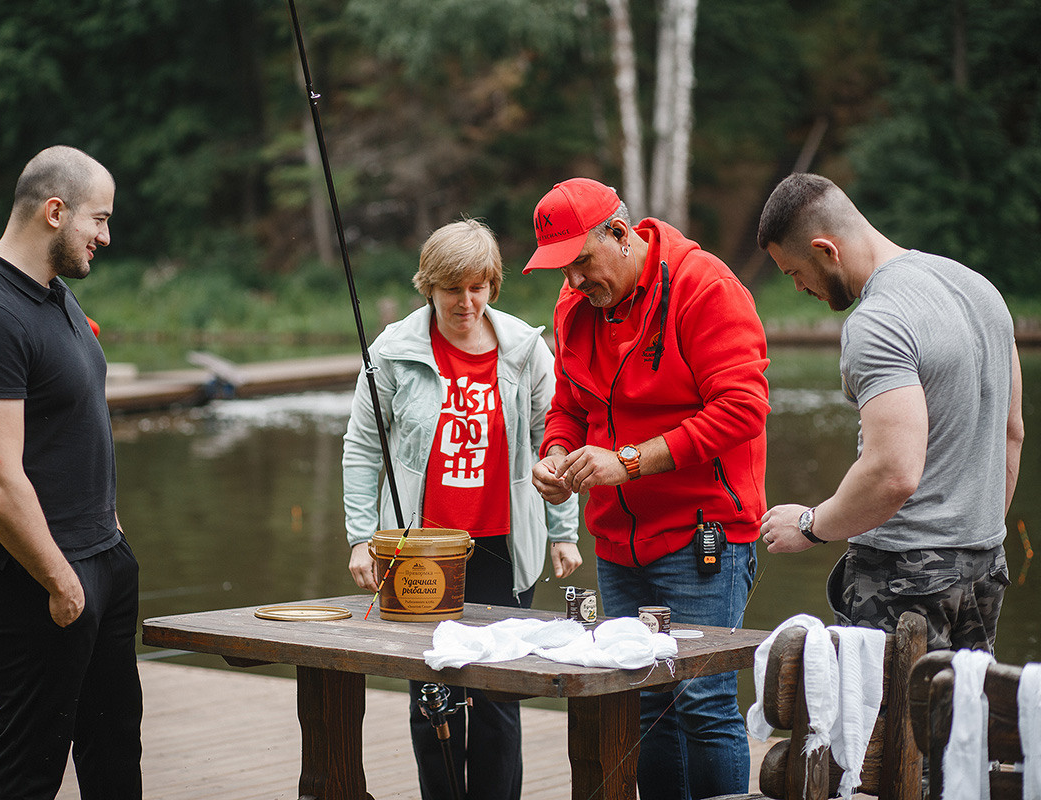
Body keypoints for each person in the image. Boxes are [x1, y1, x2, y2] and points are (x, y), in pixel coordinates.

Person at [526, 178, 769, 799]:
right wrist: (555, 458)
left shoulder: (703, 286)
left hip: (701, 537)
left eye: (581, 261)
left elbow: (743, 409)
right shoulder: (575, 305)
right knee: (644, 701)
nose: (575, 281)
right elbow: (568, 406)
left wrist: (628, 462)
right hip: (618, 542)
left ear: (619, 232)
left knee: (702, 701)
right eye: (563, 269)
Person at [342, 218, 582, 800]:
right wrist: (360, 536)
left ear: (492, 286)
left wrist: (562, 530)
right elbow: (362, 446)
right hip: (421, 552)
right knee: (434, 697)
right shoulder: (393, 352)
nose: (465, 301)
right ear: (430, 286)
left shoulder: (527, 350)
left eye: (477, 287)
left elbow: (554, 440)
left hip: (504, 546)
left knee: (500, 700)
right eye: (452, 288)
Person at [0, 145, 141, 799]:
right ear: (56, 211)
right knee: (29, 763)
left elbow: (74, 416)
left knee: (114, 752)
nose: (105, 237)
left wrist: (109, 533)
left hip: (98, 557)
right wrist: (63, 582)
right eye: (98, 220)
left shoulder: (56, 298)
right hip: (36, 576)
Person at [756, 172, 1023, 653]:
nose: (798, 288)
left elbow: (893, 472)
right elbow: (1012, 432)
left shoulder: (878, 321)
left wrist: (809, 526)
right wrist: (970, 538)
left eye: (795, 272)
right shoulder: (981, 291)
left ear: (825, 250)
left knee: (881, 726)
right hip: (986, 564)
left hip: (904, 578)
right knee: (961, 722)